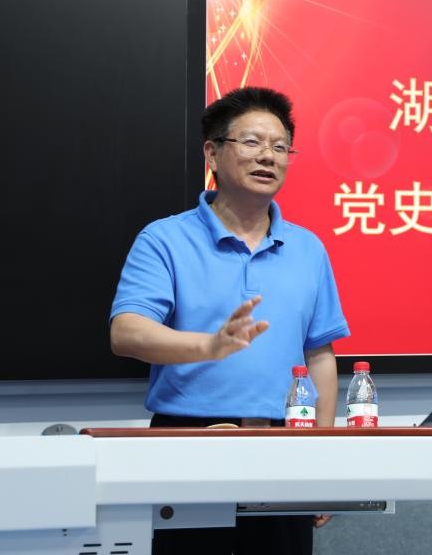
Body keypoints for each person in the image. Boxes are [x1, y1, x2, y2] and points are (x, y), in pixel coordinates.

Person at [110, 86, 349, 555]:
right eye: (252, 142)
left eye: (280, 147)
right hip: (188, 442)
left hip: (285, 446)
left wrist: (322, 455)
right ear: (213, 153)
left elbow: (319, 355)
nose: (268, 157)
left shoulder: (308, 248)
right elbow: (126, 332)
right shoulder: (165, 239)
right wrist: (209, 346)